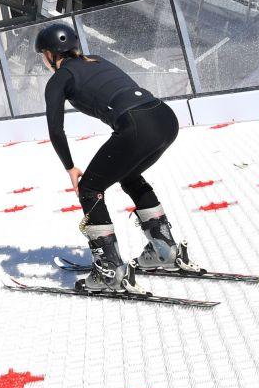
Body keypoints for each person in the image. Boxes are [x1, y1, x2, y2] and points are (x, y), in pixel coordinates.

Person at [36, 22, 187, 294]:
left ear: (49, 54)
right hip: (164, 117)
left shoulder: (59, 78)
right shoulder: (98, 60)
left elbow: (55, 129)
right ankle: (165, 250)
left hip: (137, 124)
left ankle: (110, 270)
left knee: (90, 189)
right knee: (128, 175)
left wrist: (70, 167)